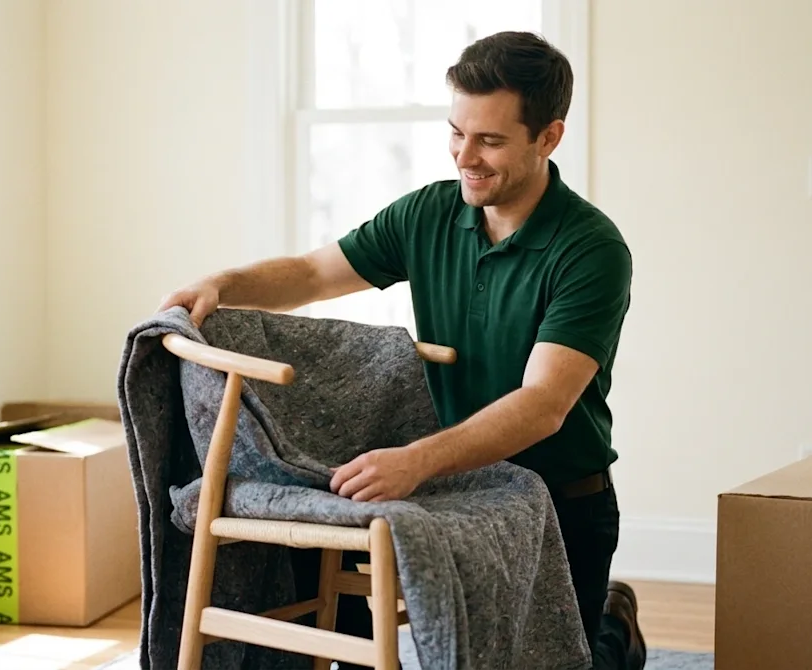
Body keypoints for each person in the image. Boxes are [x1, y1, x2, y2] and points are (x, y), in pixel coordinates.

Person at [157, 30, 645, 670]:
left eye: (490, 141)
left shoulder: (590, 249)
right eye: (456, 132)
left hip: (559, 499)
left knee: (561, 660)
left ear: (548, 137)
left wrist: (415, 460)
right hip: (447, 485)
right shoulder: (429, 214)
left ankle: (615, 629)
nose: (465, 156)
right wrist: (224, 285)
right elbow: (311, 274)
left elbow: (542, 404)